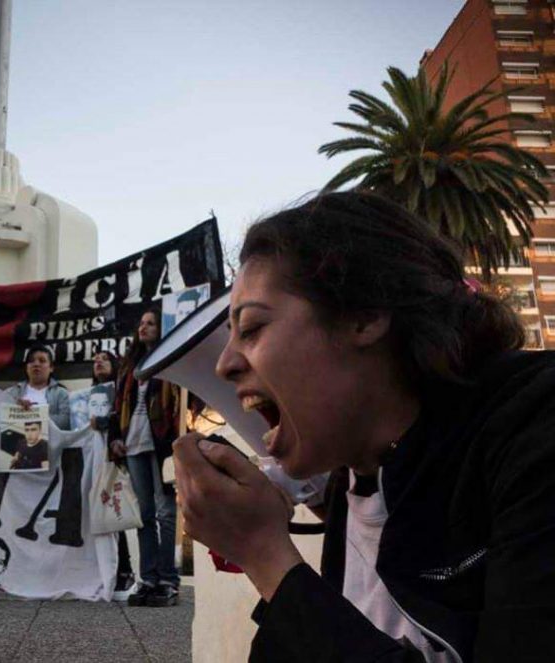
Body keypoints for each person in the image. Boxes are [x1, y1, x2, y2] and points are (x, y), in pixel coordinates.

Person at [173, 192, 555, 661]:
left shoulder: (535, 426)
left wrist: (266, 556)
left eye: (251, 329)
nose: (225, 365)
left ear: (366, 313)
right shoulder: (361, 474)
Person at [108, 311, 181, 607]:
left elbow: (183, 400)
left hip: (162, 444)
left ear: (162, 328)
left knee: (166, 513)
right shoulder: (129, 367)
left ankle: (168, 580)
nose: (143, 327)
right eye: (141, 323)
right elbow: (116, 406)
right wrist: (115, 438)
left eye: (151, 323)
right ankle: (148, 579)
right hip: (134, 444)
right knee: (144, 515)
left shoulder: (172, 360)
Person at [92, 350, 136, 602]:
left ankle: (124, 569)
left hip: (114, 458)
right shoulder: (86, 397)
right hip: (92, 461)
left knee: (116, 513)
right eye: (95, 360)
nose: (98, 362)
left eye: (104, 359)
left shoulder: (121, 392)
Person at [4, 345, 71, 430]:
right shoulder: (11, 393)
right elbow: (0, 420)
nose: (36, 364)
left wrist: (34, 413)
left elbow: (65, 422)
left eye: (42, 361)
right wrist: (16, 410)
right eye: (31, 361)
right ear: (26, 367)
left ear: (51, 368)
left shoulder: (62, 394)